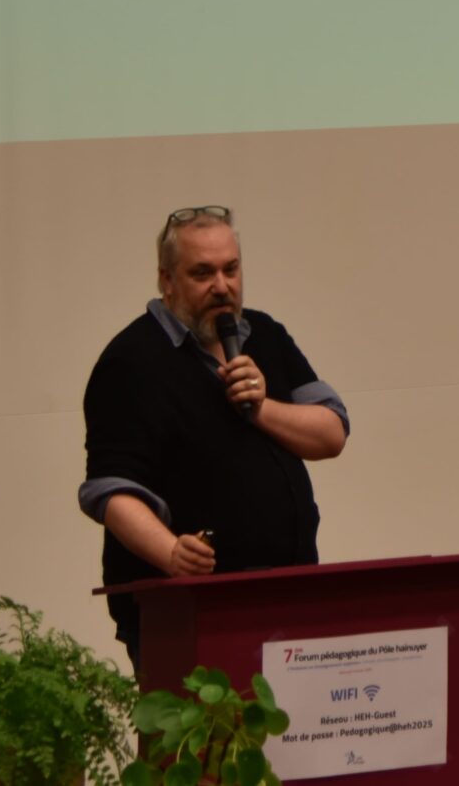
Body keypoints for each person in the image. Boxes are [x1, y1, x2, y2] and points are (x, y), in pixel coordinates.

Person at [79, 204, 349, 665]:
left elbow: (331, 434)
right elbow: (111, 492)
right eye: (202, 273)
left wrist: (261, 408)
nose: (222, 286)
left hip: (289, 596)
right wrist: (171, 553)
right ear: (167, 280)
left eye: (231, 269)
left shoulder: (264, 335)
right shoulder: (132, 361)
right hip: (185, 611)